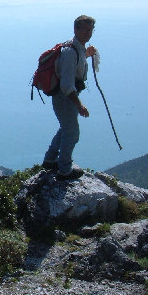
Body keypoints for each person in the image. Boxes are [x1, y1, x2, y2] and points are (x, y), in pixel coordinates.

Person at [42, 15, 97, 179]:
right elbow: (66, 85)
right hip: (64, 98)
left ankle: (50, 159)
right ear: (76, 29)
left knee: (66, 128)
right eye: (85, 29)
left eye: (90, 30)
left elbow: (75, 66)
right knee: (72, 133)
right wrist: (79, 105)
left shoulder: (76, 48)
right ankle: (64, 170)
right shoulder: (70, 52)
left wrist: (86, 55)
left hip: (65, 98)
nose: (88, 33)